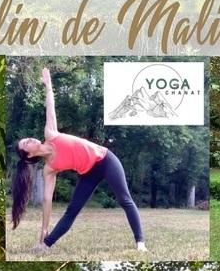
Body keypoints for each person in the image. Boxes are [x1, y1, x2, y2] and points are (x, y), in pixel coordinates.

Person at [12, 67, 147, 253]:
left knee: (125, 200)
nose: (29, 139)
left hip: (106, 159)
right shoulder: (49, 169)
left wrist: (48, 85)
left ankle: (140, 243)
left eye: (27, 138)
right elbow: (46, 200)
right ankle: (45, 245)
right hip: (88, 173)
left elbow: (50, 108)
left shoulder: (50, 134)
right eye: (26, 143)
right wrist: (44, 228)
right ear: (28, 155)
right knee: (71, 211)